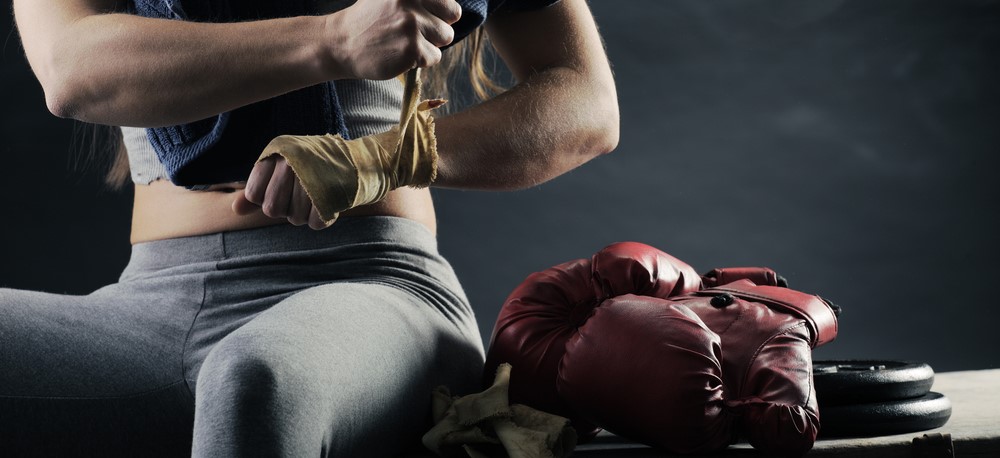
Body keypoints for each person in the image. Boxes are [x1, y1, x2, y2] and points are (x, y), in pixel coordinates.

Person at [5, 0, 618, 455]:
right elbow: (71, 67)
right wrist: (333, 40)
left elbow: (585, 102)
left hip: (370, 286)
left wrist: (376, 160)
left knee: (253, 380)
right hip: (147, 308)